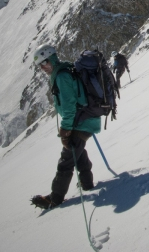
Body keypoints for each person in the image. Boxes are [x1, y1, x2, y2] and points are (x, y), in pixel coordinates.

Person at [30, 44, 100, 209]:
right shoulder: (65, 70)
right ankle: (87, 183)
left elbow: (69, 107)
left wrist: (65, 130)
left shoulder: (61, 76)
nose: (42, 68)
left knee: (66, 160)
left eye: (44, 63)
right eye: (40, 65)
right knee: (77, 151)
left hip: (79, 122)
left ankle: (55, 198)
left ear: (51, 59)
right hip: (85, 119)